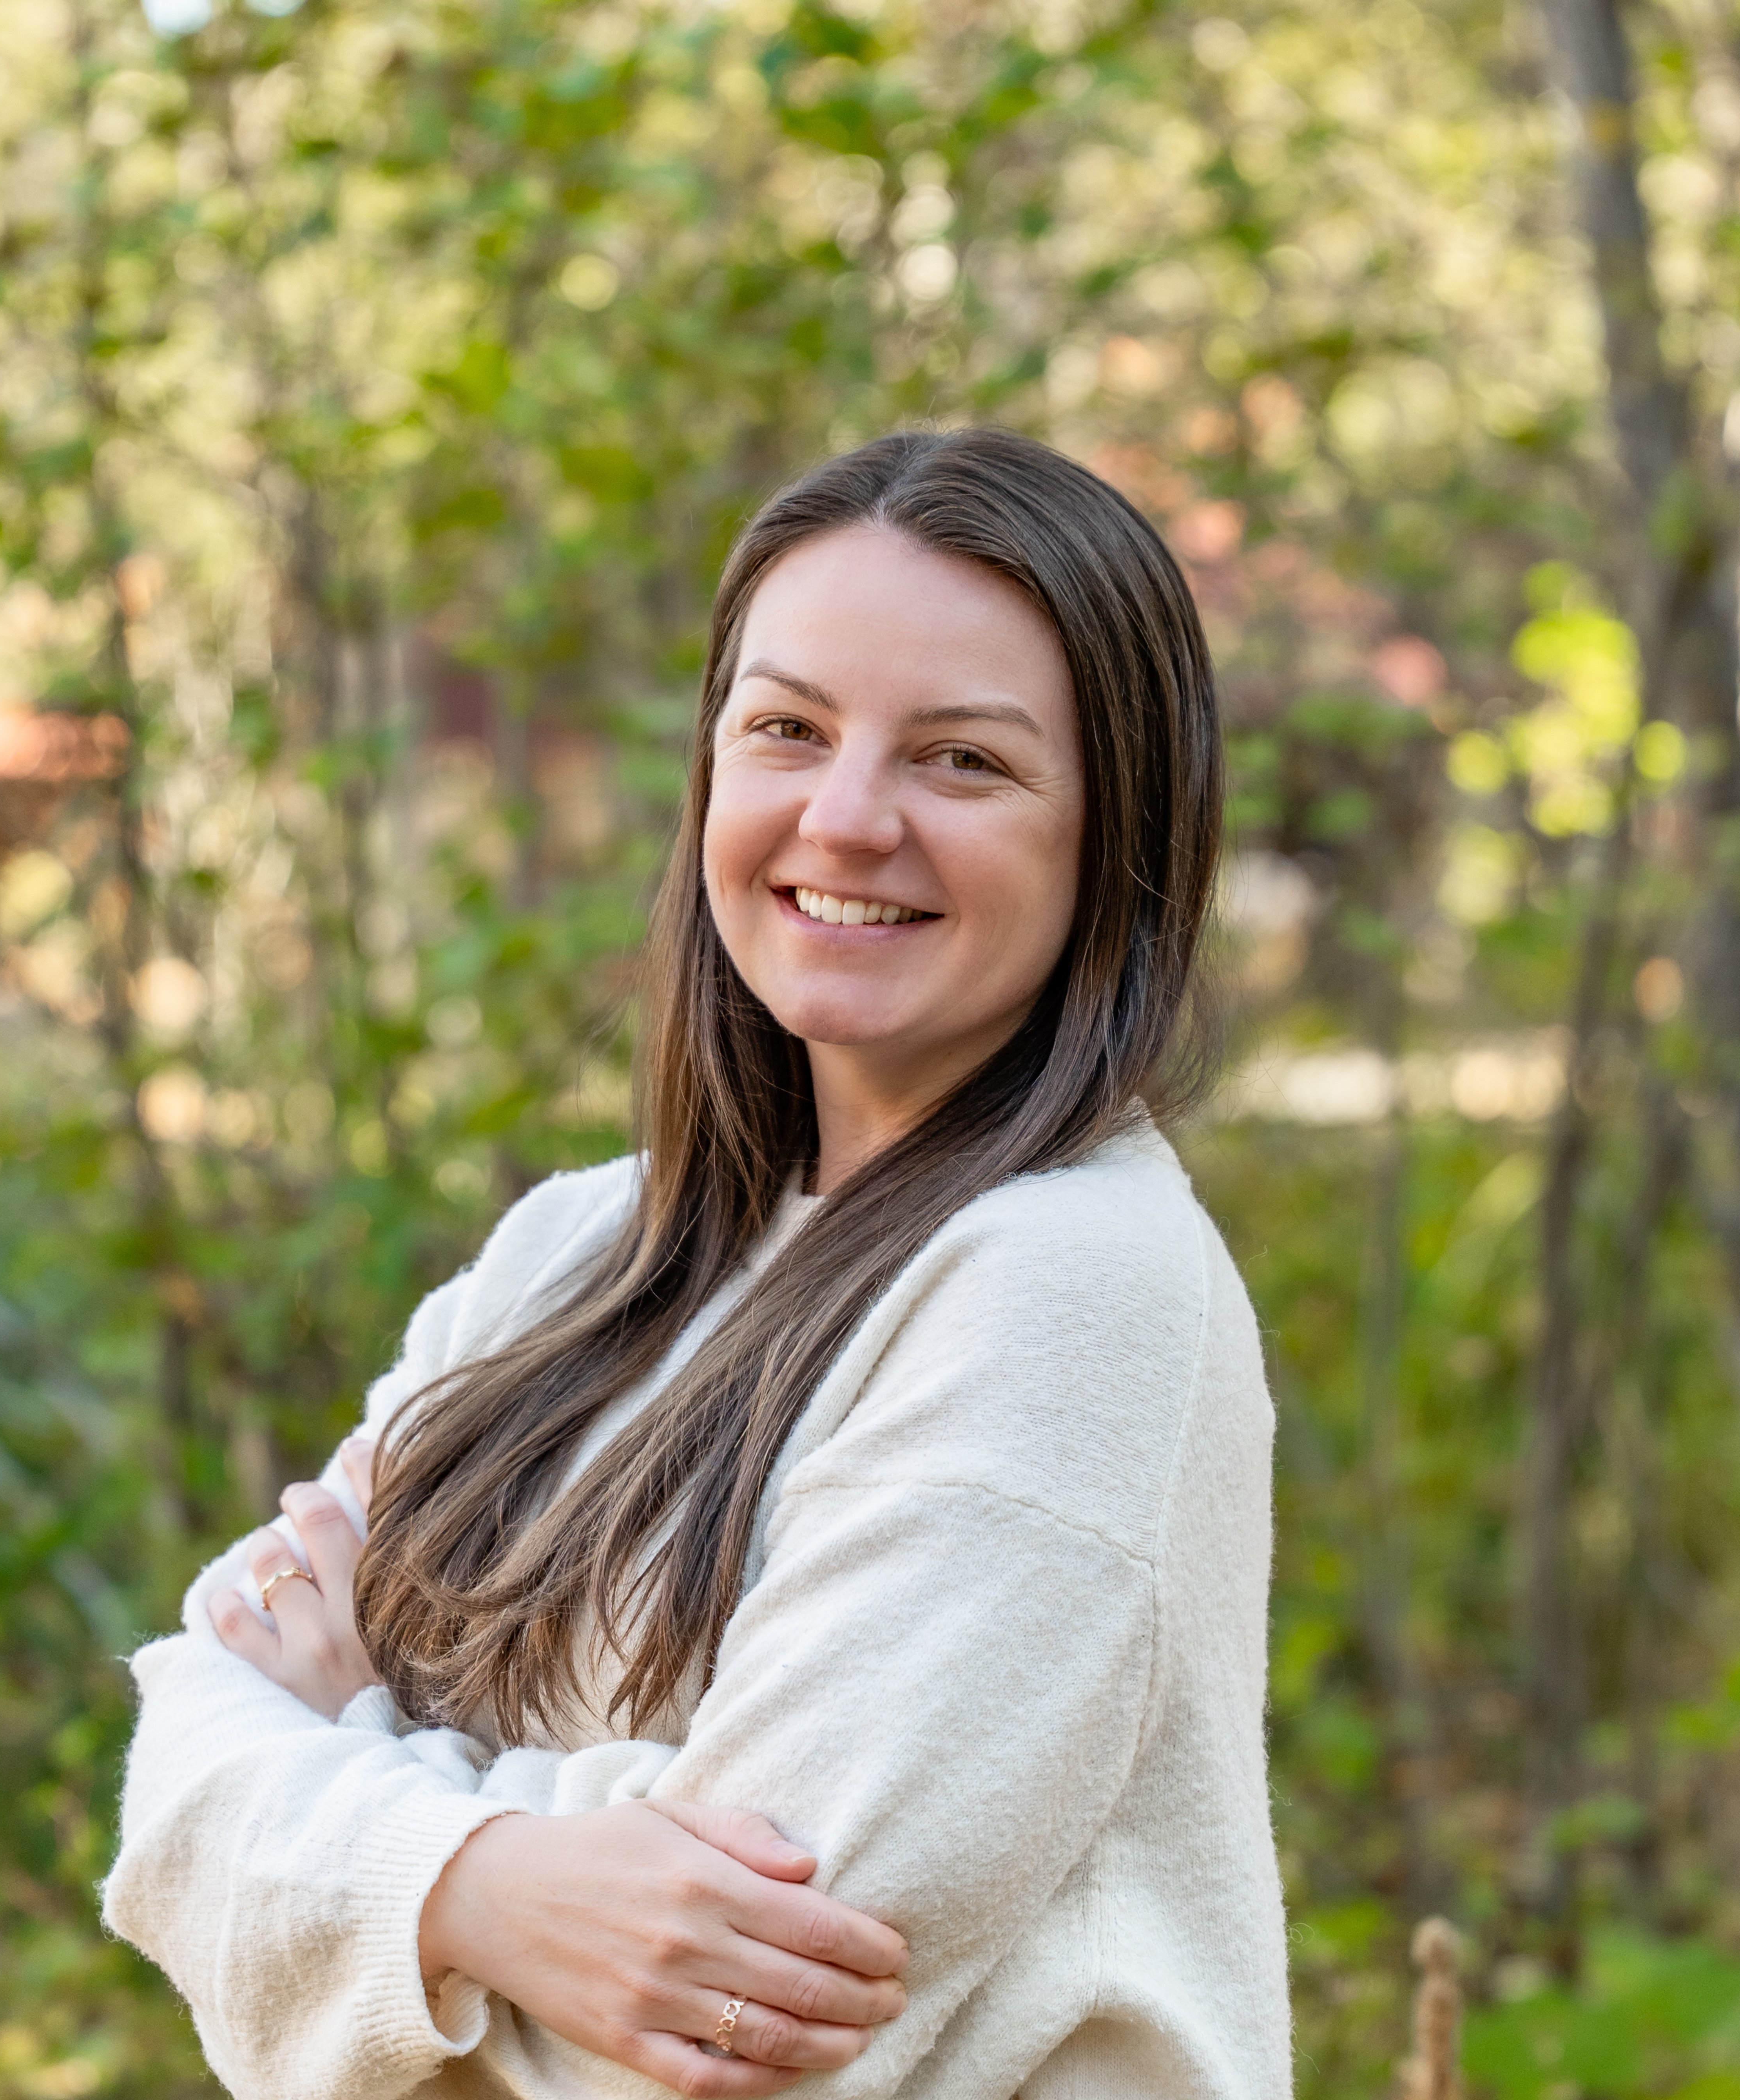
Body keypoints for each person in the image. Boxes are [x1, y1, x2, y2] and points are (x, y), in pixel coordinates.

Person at [102, 427, 1289, 2099]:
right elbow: (183, 1744)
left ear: (1116, 831)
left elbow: (732, 2030)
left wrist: (356, 1809)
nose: (849, 815)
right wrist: (482, 1888)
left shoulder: (1074, 1288)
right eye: (788, 729)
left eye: (962, 760)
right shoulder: (576, 1247)